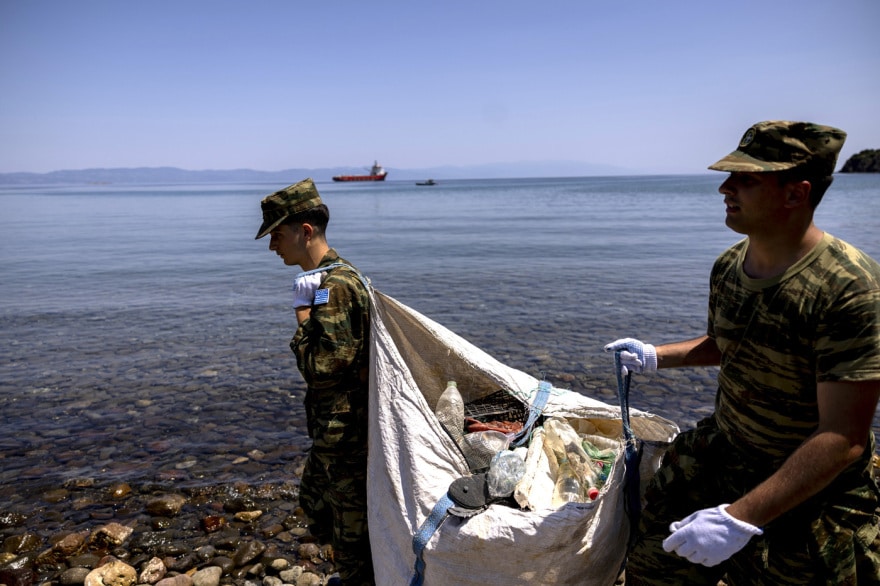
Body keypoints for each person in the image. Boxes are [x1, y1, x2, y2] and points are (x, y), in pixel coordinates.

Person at [605, 121, 880, 584]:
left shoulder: (849, 288)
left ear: (796, 194)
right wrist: (657, 355)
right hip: (721, 458)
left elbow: (843, 436)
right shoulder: (731, 264)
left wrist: (739, 518)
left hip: (805, 493)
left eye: (746, 179)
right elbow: (727, 344)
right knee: (652, 569)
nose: (724, 188)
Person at [256, 178, 374, 585]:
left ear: (305, 232)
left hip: (346, 436)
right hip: (335, 432)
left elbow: (322, 367)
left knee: (351, 536)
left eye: (277, 234)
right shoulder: (331, 281)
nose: (273, 245)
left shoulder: (334, 287)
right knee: (316, 505)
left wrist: (303, 315)